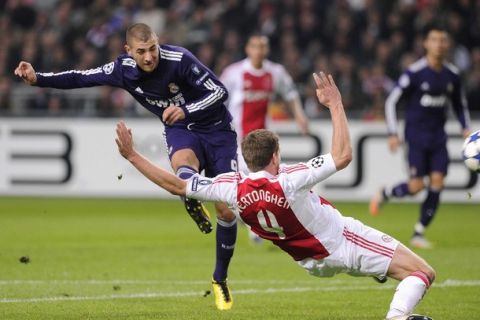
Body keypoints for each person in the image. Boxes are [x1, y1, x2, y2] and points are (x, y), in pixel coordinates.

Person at [115, 72, 435, 320]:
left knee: (376, 266)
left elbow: (177, 185)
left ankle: (378, 272)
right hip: (341, 242)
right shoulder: (288, 180)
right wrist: (335, 104)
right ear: (275, 156)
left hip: (311, 262)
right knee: (422, 273)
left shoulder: (232, 187)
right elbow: (342, 155)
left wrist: (132, 156)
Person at [14, 23, 237, 310]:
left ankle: (219, 279)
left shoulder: (179, 59)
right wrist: (37, 78)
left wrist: (186, 109)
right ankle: (190, 194)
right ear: (128, 51)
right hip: (182, 130)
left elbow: (219, 91)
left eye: (153, 49)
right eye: (142, 51)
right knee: (184, 171)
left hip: (218, 131)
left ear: (159, 44)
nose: (149, 57)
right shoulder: (122, 70)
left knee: (226, 209)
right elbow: (81, 77)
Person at [369, 24, 471, 249]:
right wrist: (392, 133)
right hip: (416, 136)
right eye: (434, 40)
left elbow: (460, 105)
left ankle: (418, 232)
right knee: (416, 186)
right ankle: (386, 192)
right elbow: (391, 101)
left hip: (438, 138)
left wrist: (466, 128)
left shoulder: (452, 75)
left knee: (437, 182)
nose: (439, 44)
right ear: (426, 44)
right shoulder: (414, 73)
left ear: (448, 45)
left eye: (443, 40)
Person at [220, 33, 309, 243]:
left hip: (262, 138)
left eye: (262, 47)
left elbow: (290, 93)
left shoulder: (275, 72)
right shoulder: (234, 73)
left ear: (266, 50)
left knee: (261, 181)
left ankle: (254, 223)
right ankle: (252, 222)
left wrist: (300, 116)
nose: (259, 51)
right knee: (246, 181)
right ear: (248, 49)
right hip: (237, 137)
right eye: (255, 46)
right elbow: (218, 97)